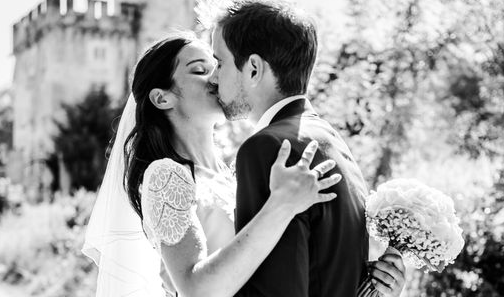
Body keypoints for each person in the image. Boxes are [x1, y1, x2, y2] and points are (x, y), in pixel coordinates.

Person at [84, 33, 342, 297]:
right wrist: (281, 205)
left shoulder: (233, 175)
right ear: (162, 99)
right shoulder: (166, 175)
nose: (216, 77)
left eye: (217, 66)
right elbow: (196, 290)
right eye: (199, 70)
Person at [201, 0, 406, 297]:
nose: (214, 78)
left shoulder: (267, 149)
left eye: (220, 63)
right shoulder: (333, 142)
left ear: (253, 69)